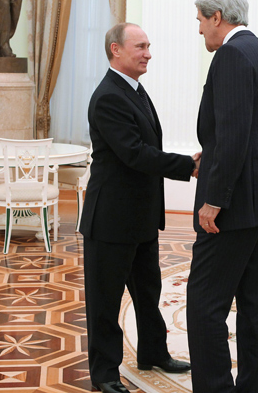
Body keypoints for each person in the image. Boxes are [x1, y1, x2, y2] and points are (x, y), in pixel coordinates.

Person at [80, 22, 200, 393]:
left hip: (141, 217)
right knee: (105, 302)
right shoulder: (109, 96)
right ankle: (104, 375)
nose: (148, 53)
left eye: (149, 46)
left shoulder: (133, 89)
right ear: (116, 50)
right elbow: (134, 154)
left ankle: (153, 353)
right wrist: (187, 165)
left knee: (148, 293)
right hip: (111, 220)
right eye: (141, 46)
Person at [187, 0, 258, 393]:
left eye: (200, 21)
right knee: (251, 306)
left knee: (204, 305)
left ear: (217, 17)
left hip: (231, 208)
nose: (199, 31)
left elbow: (230, 136)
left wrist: (215, 198)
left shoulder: (229, 55)